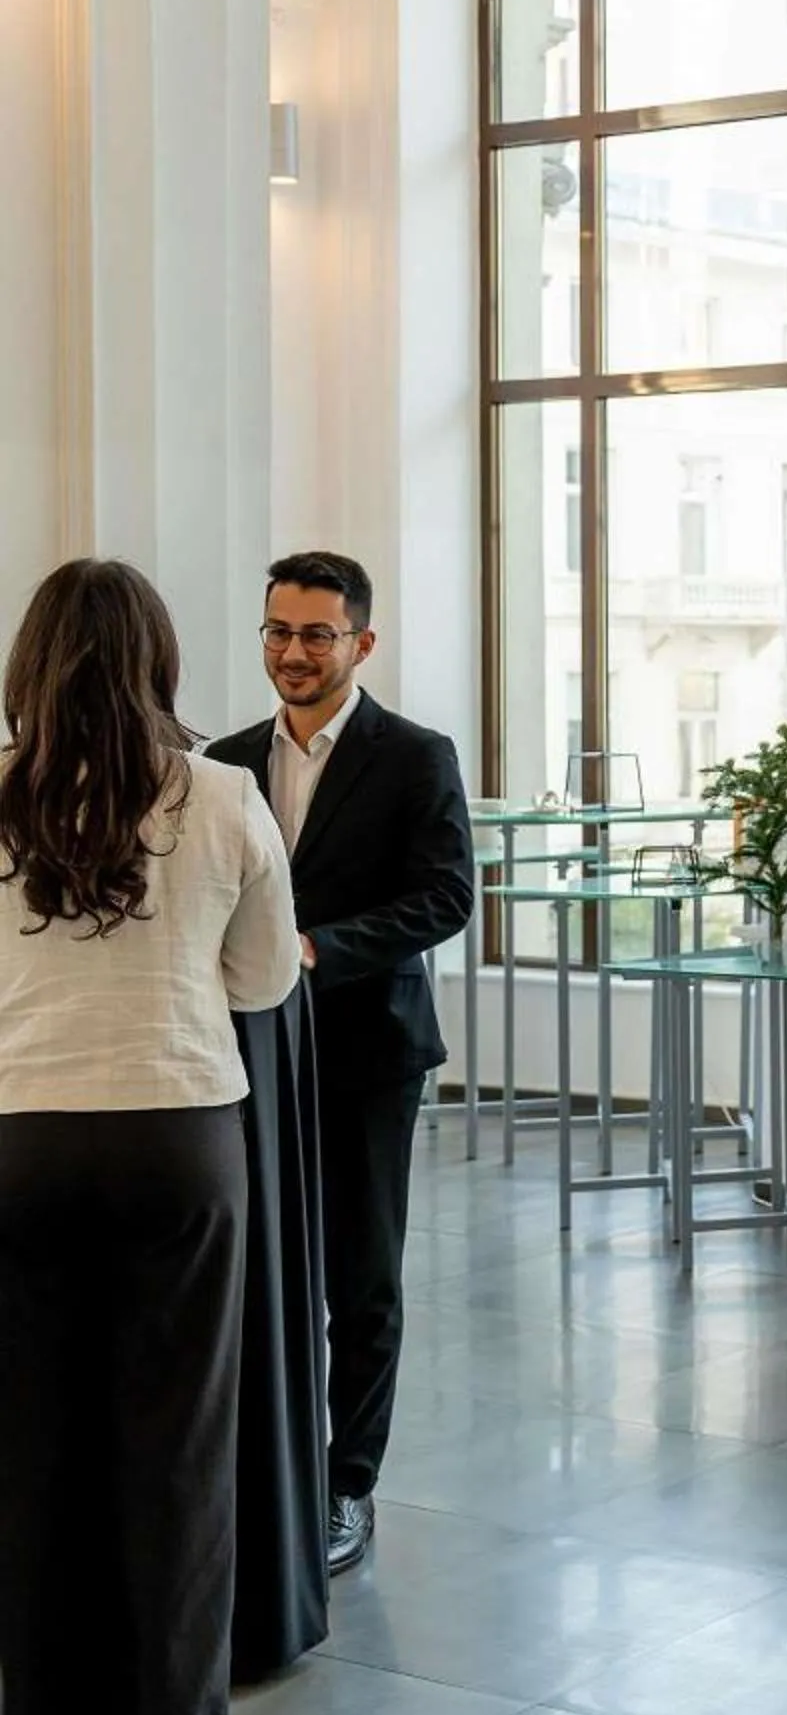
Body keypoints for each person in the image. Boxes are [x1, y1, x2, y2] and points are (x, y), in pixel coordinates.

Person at [0, 559, 300, 1715]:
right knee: (176, 1438)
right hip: (179, 1131)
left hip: (19, 1136)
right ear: (158, 664)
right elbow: (266, 979)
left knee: (24, 1439)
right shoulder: (225, 794)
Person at [205, 553, 474, 1578]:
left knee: (361, 1282)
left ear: (361, 642)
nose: (294, 652)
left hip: (369, 1052)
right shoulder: (227, 763)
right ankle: (266, 1480)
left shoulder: (416, 756)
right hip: (248, 1052)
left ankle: (346, 1486)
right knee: (263, 1274)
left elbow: (446, 898)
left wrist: (320, 949)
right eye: (278, 631)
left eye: (317, 634)